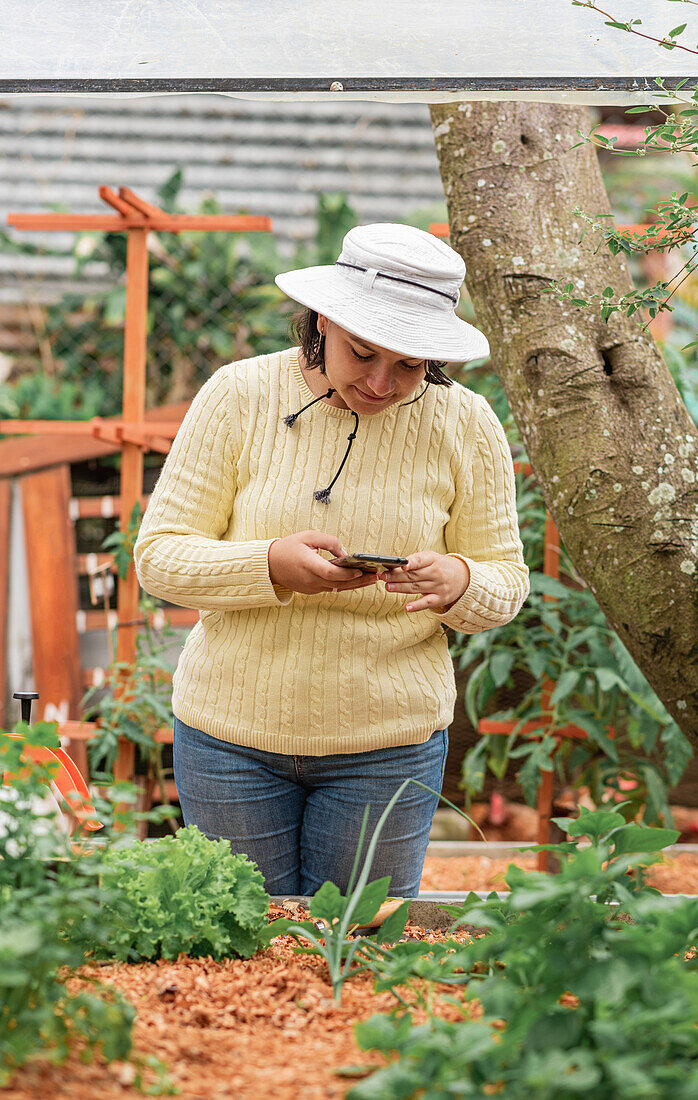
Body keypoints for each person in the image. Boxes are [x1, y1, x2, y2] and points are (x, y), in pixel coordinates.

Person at [134, 222, 530, 898]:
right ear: (325, 319)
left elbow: (507, 580)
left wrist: (459, 580)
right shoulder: (238, 395)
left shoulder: (467, 424)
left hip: (388, 748)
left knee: (360, 953)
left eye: (410, 366)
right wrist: (269, 567)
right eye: (364, 353)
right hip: (229, 740)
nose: (381, 382)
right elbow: (158, 561)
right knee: (241, 950)